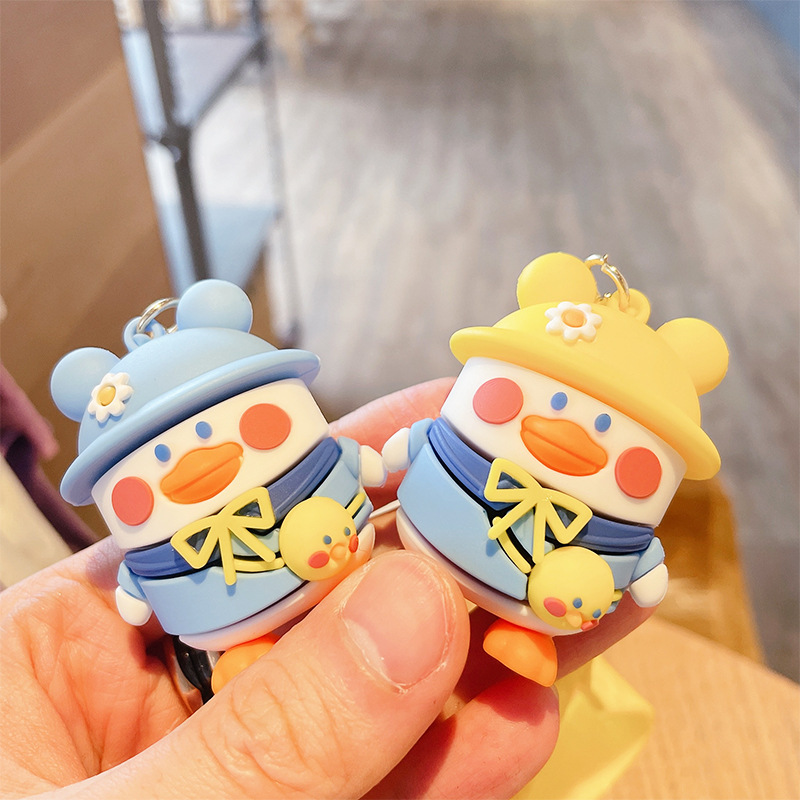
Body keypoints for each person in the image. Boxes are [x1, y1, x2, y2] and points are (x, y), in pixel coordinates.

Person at [0, 380, 653, 799]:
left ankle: (523, 634)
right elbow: (137, 576)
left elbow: (379, 455)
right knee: (301, 598)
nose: (198, 458)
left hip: (406, 537)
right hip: (237, 596)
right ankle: (246, 652)